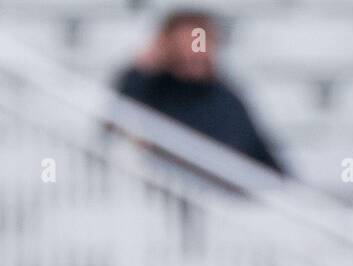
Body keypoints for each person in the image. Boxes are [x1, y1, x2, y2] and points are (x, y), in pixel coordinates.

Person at [114, 9, 285, 173]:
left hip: (225, 194)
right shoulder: (150, 88)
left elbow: (265, 159)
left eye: (200, 41)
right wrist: (141, 69)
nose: (194, 52)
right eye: (184, 44)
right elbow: (121, 117)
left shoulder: (228, 99)